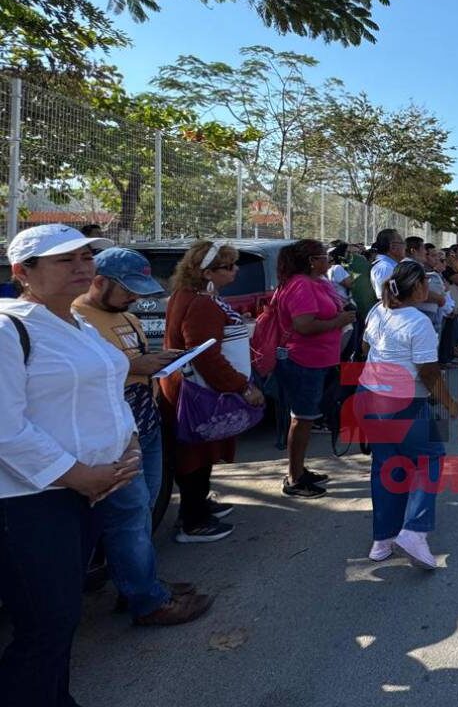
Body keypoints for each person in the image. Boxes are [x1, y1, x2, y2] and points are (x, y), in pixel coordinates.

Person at [0, 224, 140, 706]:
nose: (82, 266)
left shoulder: (78, 323)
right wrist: (78, 474)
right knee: (45, 622)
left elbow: (107, 392)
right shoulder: (7, 327)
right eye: (65, 260)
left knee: (60, 618)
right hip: (30, 501)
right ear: (23, 272)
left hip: (87, 492)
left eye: (86, 257)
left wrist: (129, 445)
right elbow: (5, 428)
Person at [73, 248, 214, 625]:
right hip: (111, 435)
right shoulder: (75, 321)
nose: (134, 298)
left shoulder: (129, 318)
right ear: (98, 281)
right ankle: (148, 601)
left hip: (144, 427)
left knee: (144, 508)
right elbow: (79, 379)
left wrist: (158, 362)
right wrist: (136, 366)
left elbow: (137, 362)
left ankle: (138, 582)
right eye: (127, 290)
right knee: (129, 516)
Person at [160, 241, 266, 541]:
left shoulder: (187, 295)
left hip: (186, 384)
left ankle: (199, 505)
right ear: (206, 272)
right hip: (198, 389)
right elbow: (206, 354)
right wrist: (241, 386)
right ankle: (193, 520)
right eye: (228, 267)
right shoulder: (201, 303)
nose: (235, 271)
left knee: (198, 449)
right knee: (197, 451)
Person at [359, 261, 458, 569]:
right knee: (430, 457)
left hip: (368, 396)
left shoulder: (378, 310)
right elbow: (429, 374)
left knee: (387, 465)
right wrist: (451, 404)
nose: (429, 290)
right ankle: (414, 531)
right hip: (401, 402)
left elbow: (365, 349)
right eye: (426, 285)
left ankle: (383, 539)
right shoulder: (418, 323)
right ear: (416, 288)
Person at [272, 240, 355, 498]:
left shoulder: (315, 282)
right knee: (302, 419)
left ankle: (299, 470)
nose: (328, 260)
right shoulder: (301, 285)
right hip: (304, 361)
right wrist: (339, 321)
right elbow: (304, 325)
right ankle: (295, 478)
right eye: (323, 256)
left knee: (307, 418)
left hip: (317, 360)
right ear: (311, 260)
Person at [369, 229, 405, 299]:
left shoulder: (389, 266)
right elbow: (387, 298)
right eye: (402, 243)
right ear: (393, 247)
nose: (405, 247)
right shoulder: (385, 268)